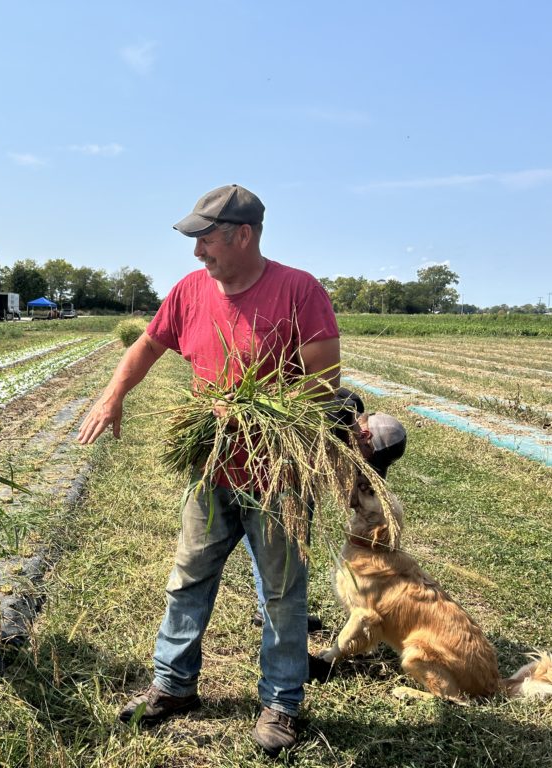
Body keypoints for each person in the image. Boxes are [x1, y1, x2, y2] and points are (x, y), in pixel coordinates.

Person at [78, 184, 340, 756]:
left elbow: (325, 387)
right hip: (209, 469)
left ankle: (281, 703)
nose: (198, 253)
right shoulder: (190, 291)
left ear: (242, 235)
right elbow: (147, 346)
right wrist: (113, 395)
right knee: (188, 577)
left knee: (281, 592)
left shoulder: (300, 291)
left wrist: (251, 409)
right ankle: (173, 687)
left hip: (278, 478)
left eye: (206, 240)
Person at [246, 388, 408, 630]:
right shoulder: (337, 411)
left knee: (274, 547)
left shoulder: (346, 423)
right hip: (263, 478)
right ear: (363, 436)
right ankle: (279, 617)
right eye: (365, 460)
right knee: (282, 549)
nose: (358, 466)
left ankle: (270, 609)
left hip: (273, 480)